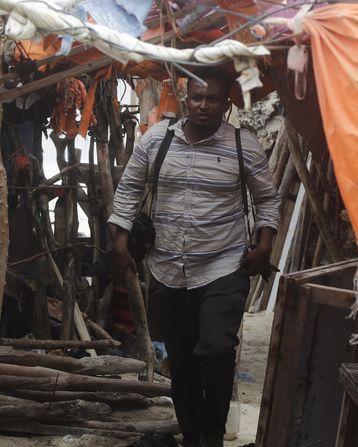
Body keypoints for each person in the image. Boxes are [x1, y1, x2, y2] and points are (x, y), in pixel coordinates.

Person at [108, 73, 280, 447]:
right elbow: (129, 189)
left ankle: (212, 434)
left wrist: (264, 245)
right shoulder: (156, 140)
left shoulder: (244, 146)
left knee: (217, 348)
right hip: (167, 268)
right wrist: (120, 244)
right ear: (186, 99)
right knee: (182, 359)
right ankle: (191, 435)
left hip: (223, 267)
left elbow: (267, 199)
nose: (204, 105)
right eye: (197, 97)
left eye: (213, 99)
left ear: (226, 104)